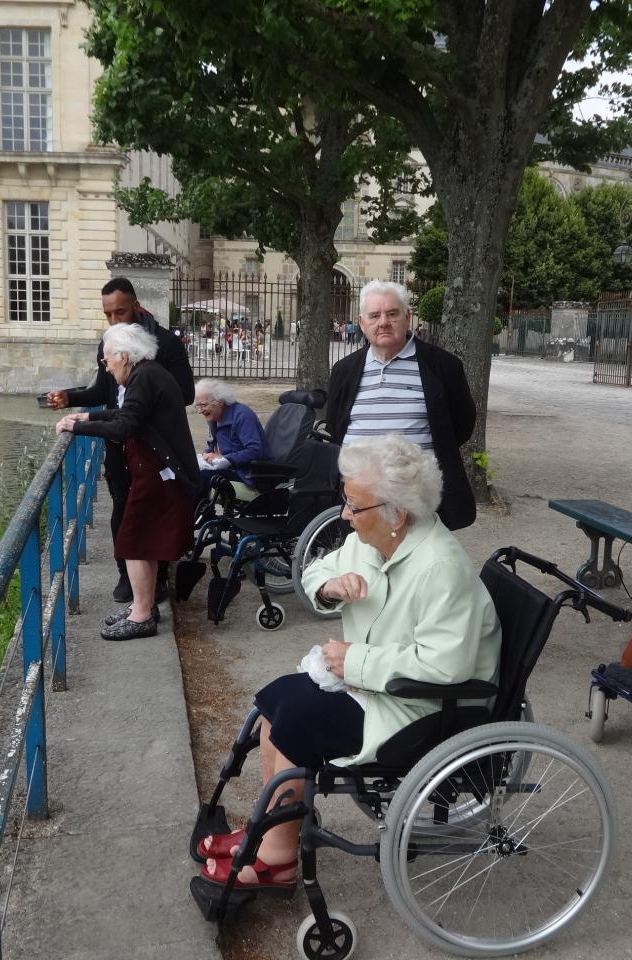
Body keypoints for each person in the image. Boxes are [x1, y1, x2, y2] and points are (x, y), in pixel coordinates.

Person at [197, 434, 501, 888]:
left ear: (395, 512)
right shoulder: (376, 540)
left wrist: (355, 662)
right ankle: (271, 834)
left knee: (297, 719)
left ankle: (277, 857)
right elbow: (319, 567)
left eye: (354, 506)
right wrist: (330, 586)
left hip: (421, 707)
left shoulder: (440, 567)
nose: (344, 514)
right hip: (375, 687)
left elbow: (445, 668)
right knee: (276, 701)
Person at [45, 278, 194, 603]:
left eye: (120, 312)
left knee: (157, 512)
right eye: (108, 315)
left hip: (152, 444)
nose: (114, 320)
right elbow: (102, 391)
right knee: (122, 506)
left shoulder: (164, 344)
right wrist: (70, 399)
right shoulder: (109, 344)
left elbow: (185, 393)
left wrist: (142, 403)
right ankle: (126, 576)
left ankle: (158, 581)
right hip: (120, 438)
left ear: (136, 306)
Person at [326, 279, 478, 530]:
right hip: (360, 504)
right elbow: (336, 425)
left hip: (418, 503)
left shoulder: (443, 367)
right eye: (374, 315)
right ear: (362, 323)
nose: (383, 322)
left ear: (407, 316)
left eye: (392, 313)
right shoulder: (344, 371)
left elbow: (460, 425)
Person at [194, 378, 269, 491]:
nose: (200, 411)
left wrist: (225, 459)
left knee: (201, 478)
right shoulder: (214, 417)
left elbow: (255, 450)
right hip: (229, 469)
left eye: (203, 405)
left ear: (219, 402)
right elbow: (213, 445)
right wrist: (208, 454)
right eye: (197, 406)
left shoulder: (242, 415)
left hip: (245, 474)